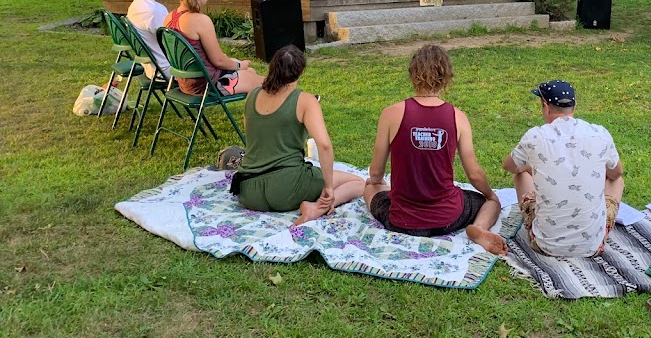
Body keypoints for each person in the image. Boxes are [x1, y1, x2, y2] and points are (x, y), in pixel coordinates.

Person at [363, 44, 508, 254]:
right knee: (491, 203)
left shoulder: (391, 113)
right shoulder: (458, 117)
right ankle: (479, 228)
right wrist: (490, 194)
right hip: (449, 217)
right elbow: (474, 174)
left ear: (413, 75)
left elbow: (376, 171)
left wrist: (376, 182)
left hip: (402, 221)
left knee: (369, 187)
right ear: (446, 77)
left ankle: (384, 194)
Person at [236, 45, 364, 225]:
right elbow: (324, 145)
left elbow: (252, 134)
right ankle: (317, 208)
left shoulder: (252, 95)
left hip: (247, 190)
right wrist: (328, 187)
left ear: (272, 67)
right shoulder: (305, 101)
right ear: (301, 72)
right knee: (359, 183)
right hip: (286, 187)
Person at [502, 80, 624, 257]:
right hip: (591, 246)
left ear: (545, 106)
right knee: (617, 181)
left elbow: (510, 166)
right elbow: (616, 173)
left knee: (521, 175)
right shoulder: (599, 133)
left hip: (545, 245)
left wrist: (532, 167)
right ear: (575, 105)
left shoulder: (535, 137)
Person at [162, 0, 263, 96]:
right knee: (268, 83)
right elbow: (219, 61)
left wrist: (234, 63)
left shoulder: (169, 17)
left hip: (186, 82)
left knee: (251, 72)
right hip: (209, 84)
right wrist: (239, 65)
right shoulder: (200, 20)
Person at [126, 0, 175, 78]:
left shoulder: (135, 5)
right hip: (167, 70)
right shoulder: (155, 10)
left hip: (151, 68)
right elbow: (174, 44)